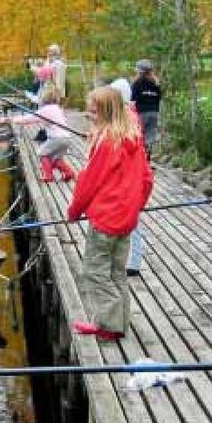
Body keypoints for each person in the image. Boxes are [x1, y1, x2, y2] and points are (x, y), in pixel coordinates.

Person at [68, 84, 153, 341]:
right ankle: (119, 322)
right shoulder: (132, 137)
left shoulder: (107, 142)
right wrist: (135, 205)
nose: (89, 116)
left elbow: (89, 181)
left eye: (93, 112)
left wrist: (74, 211)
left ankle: (108, 325)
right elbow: (147, 179)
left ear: (105, 112)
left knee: (94, 271)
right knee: (116, 271)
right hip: (126, 219)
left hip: (106, 218)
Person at [109, 75, 144, 277]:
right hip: (131, 179)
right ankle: (131, 261)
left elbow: (125, 145)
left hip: (128, 180)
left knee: (134, 222)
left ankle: (134, 262)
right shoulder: (128, 113)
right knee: (132, 221)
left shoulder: (127, 116)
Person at [34, 82, 76, 182]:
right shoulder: (58, 108)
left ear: (44, 98)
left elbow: (31, 118)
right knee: (56, 158)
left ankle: (48, 176)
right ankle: (69, 173)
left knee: (42, 153)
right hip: (67, 138)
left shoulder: (46, 108)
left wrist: (12, 120)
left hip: (56, 138)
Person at [130, 59, 162, 157]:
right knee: (149, 137)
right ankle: (147, 159)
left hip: (141, 113)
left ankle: (141, 161)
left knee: (140, 137)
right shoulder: (156, 83)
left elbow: (133, 99)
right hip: (154, 113)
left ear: (139, 71)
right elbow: (159, 98)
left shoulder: (137, 83)